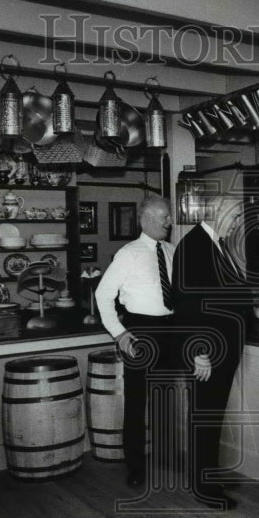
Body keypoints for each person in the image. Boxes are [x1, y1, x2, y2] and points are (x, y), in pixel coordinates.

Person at [171, 193, 259, 509]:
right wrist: (197, 351)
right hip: (209, 352)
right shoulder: (192, 246)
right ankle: (204, 488)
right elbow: (185, 305)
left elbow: (230, 290)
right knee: (205, 416)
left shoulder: (218, 243)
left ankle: (208, 474)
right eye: (234, 216)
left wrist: (254, 309)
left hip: (225, 347)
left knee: (213, 415)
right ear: (218, 213)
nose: (238, 222)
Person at [95, 195, 175, 488]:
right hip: (140, 331)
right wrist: (119, 332)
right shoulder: (127, 253)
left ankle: (167, 456)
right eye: (165, 216)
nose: (169, 221)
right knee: (137, 402)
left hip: (170, 329)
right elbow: (103, 296)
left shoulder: (171, 250)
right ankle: (136, 467)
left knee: (166, 397)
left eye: (168, 216)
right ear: (147, 218)